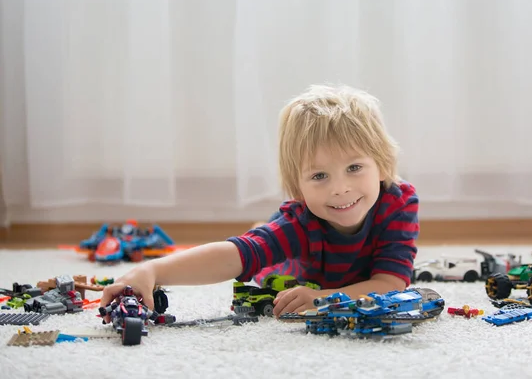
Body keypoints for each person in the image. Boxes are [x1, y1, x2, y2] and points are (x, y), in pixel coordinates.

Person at [100, 84, 419, 319]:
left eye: (354, 168)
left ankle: (263, 227)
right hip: (288, 263)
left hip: (329, 284)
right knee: (261, 248)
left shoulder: (398, 205)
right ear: (298, 187)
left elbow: (390, 282)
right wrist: (152, 270)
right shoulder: (301, 222)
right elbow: (233, 254)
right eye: (319, 176)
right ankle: (264, 227)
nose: (340, 189)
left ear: (382, 165)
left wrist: (322, 298)